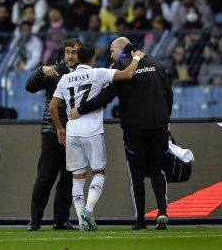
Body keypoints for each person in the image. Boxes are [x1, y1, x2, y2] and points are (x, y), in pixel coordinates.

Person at [73, 37, 172, 230]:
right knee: (158, 170)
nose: (111, 54)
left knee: (136, 173)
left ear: (120, 49)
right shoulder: (156, 64)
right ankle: (162, 212)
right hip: (159, 125)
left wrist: (80, 110)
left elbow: (105, 97)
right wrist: (165, 120)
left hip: (134, 128)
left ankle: (141, 220)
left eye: (112, 50)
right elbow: (169, 94)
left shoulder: (119, 67)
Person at [49, 44, 145, 231]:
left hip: (72, 131)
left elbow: (53, 108)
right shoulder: (98, 73)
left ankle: (81, 222)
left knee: (77, 178)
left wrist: (60, 128)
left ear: (77, 58)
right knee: (99, 172)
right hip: (92, 130)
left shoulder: (65, 79)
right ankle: (88, 209)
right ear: (92, 59)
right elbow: (127, 74)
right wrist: (137, 59)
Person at [24, 38, 82, 232]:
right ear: (64, 53)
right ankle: (35, 220)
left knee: (67, 179)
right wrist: (40, 69)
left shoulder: (86, 73)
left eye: (74, 52)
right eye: (68, 52)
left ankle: (61, 220)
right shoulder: (54, 71)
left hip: (75, 133)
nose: (71, 55)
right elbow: (30, 88)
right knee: (45, 177)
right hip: (52, 131)